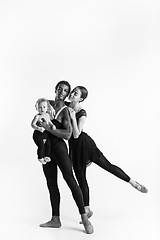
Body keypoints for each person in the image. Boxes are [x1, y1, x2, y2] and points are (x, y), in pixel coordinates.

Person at [67, 86, 148, 219]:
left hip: (84, 144)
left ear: (81, 98)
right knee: (81, 178)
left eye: (75, 94)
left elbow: (76, 134)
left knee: (107, 166)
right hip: (74, 148)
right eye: (72, 92)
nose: (71, 94)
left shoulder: (81, 112)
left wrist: (72, 117)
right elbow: (51, 103)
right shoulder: (65, 105)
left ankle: (133, 182)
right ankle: (87, 209)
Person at [36, 81, 94, 234]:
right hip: (46, 151)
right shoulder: (45, 104)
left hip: (59, 148)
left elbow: (68, 135)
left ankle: (85, 219)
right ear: (55, 89)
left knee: (70, 179)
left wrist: (48, 127)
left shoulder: (66, 111)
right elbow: (37, 124)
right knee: (51, 183)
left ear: (68, 94)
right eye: (60, 88)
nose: (62, 91)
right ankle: (55, 219)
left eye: (66, 90)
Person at [31, 98, 55, 164]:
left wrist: (52, 125)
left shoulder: (47, 115)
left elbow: (49, 122)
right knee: (41, 145)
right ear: (36, 108)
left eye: (44, 107)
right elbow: (32, 124)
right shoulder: (37, 116)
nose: (42, 109)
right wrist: (38, 128)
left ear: (47, 108)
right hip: (38, 134)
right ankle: (40, 157)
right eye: (40, 107)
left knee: (48, 144)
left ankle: (46, 156)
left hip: (45, 133)